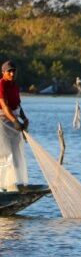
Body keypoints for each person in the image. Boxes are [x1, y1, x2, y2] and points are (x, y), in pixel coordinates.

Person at [0, 60, 29, 191]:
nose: (12, 74)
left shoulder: (15, 86)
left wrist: (23, 118)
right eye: (9, 71)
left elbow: (17, 105)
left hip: (13, 124)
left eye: (14, 71)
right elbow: (4, 106)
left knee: (17, 154)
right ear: (3, 73)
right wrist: (15, 121)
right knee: (5, 155)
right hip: (3, 123)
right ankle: (3, 187)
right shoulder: (1, 84)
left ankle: (16, 184)